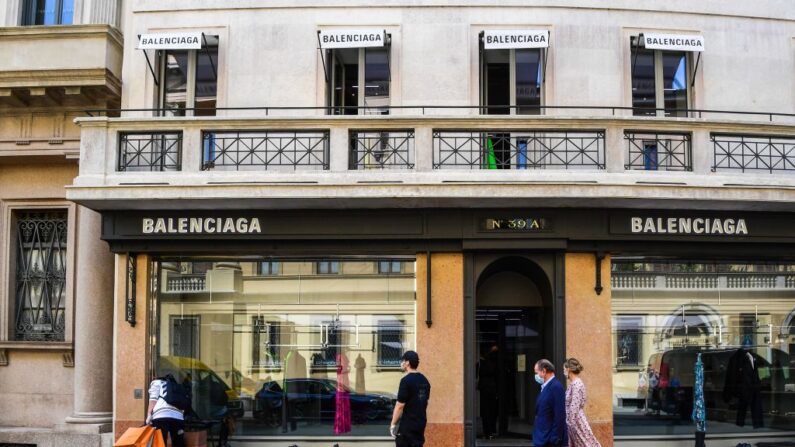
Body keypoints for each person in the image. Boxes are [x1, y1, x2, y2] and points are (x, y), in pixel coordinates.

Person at [390, 351, 431, 447]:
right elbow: (425, 401)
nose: (402, 363)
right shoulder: (425, 380)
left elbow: (400, 405)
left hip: (408, 425)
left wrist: (393, 424)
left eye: (403, 360)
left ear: (407, 362)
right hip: (420, 423)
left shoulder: (405, 381)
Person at [563, 358, 602, 447]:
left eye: (564, 369)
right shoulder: (574, 383)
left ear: (568, 369)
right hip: (575, 421)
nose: (564, 371)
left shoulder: (576, 384)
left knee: (586, 444)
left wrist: (570, 424)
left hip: (576, 422)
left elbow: (574, 406)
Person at [532, 359, 567, 447]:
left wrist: (554, 438)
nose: (536, 376)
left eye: (536, 372)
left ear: (544, 371)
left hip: (549, 439)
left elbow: (560, 415)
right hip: (541, 437)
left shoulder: (556, 387)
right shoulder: (545, 386)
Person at [146, 374, 187, 447]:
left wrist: (149, 415)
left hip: (161, 415)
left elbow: (153, 400)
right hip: (178, 417)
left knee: (160, 441)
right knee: (178, 442)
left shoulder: (156, 382)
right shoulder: (177, 386)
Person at [477, 344, 499, 439]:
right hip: (490, 389)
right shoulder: (490, 363)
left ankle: (488, 432)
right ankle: (489, 431)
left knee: (487, 412)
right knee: (489, 411)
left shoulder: (482, 364)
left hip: (486, 389)